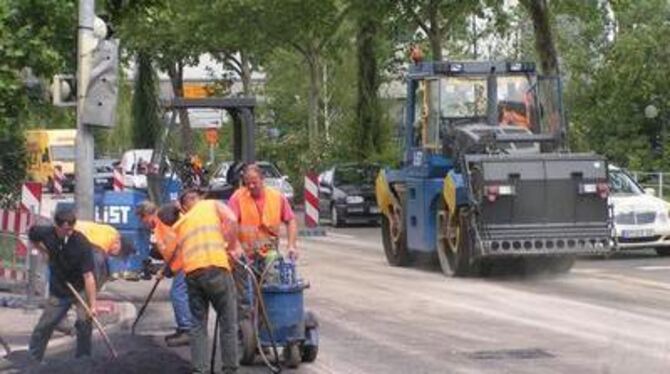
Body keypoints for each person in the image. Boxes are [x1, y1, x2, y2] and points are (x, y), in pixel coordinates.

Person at [174, 189, 240, 374]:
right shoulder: (211, 205)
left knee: (198, 324)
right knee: (228, 322)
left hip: (192, 275)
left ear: (184, 206)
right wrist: (232, 247)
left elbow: (179, 256)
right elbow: (233, 220)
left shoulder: (181, 223)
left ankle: (199, 370)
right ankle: (230, 369)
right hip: (217, 268)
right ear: (199, 198)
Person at [26, 208, 97, 362]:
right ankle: (33, 358)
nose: (69, 233)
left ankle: (83, 359)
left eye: (71, 229)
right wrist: (44, 251)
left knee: (84, 324)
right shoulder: (45, 233)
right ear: (57, 226)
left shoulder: (81, 243)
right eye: (66, 230)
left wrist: (92, 305)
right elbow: (31, 234)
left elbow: (89, 276)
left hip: (80, 288)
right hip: (59, 288)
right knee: (45, 325)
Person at [136, 201, 193, 347]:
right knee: (181, 294)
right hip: (180, 264)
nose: (142, 224)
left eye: (141, 219)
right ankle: (184, 328)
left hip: (186, 262)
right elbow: (168, 251)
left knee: (178, 294)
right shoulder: (157, 228)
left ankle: (187, 330)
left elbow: (175, 246)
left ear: (147, 216)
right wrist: (164, 270)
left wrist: (167, 270)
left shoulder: (164, 220)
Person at [228, 163, 298, 261]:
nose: (251, 186)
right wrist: (236, 246)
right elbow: (230, 225)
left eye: (254, 182)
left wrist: (291, 245)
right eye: (248, 183)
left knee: (272, 270)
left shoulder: (276, 197)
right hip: (244, 253)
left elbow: (291, 221)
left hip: (268, 249)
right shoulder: (237, 198)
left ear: (262, 179)